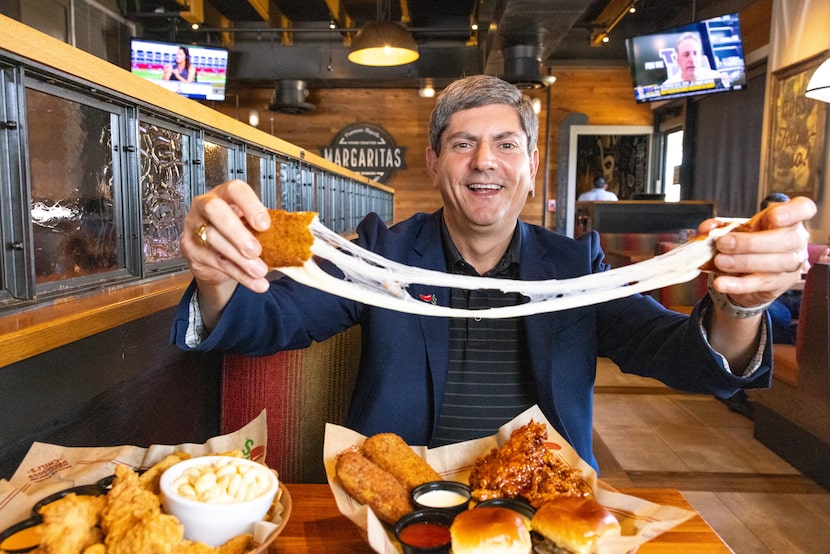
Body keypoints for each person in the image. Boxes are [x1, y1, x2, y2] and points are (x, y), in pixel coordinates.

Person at [171, 75, 815, 472]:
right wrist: (217, 269)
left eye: (506, 144)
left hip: (541, 499)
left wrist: (742, 304)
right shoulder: (380, 253)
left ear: (531, 165)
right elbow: (270, 319)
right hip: (404, 499)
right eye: (462, 143)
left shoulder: (573, 268)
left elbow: (684, 357)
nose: (486, 162)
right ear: (434, 161)